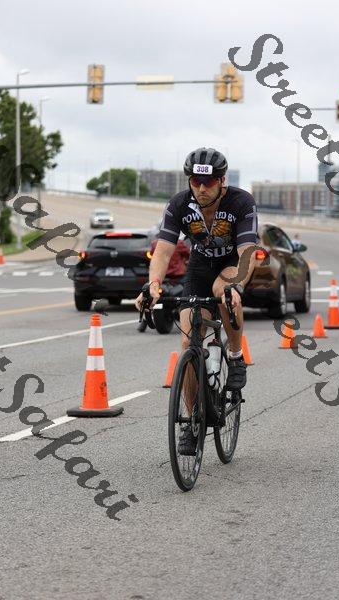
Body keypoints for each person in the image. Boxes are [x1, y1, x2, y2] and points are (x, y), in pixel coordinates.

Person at [136, 147, 259, 454]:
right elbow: (163, 250)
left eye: (210, 182)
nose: (202, 188)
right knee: (188, 340)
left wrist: (237, 286)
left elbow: (247, 251)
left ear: (222, 180)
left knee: (224, 292)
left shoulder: (241, 202)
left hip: (232, 263)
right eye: (195, 181)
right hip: (200, 266)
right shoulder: (179, 203)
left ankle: (235, 355)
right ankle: (192, 422)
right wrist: (153, 285)